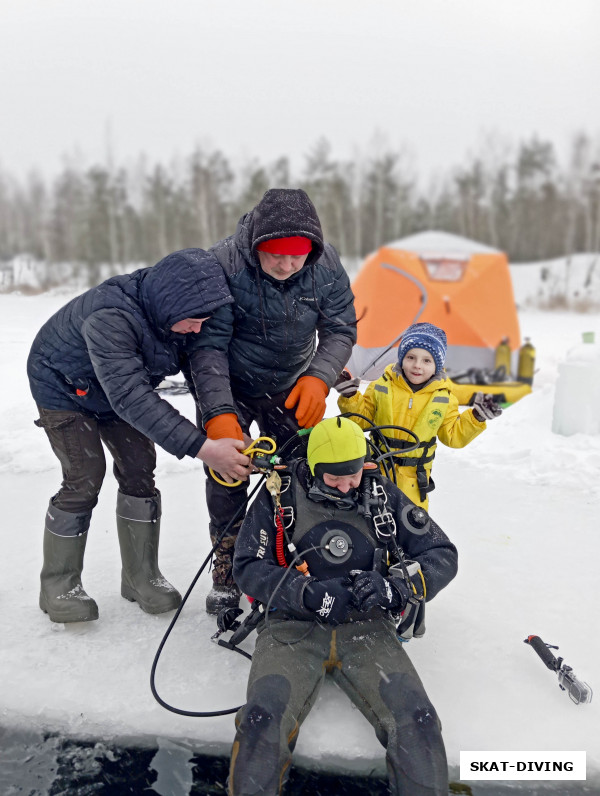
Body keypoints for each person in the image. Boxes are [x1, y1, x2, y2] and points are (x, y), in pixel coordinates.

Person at [228, 416, 458, 796]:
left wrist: (394, 589)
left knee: (418, 720)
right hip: (291, 626)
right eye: (334, 477)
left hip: (367, 629)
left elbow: (442, 554)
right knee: (261, 719)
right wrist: (304, 593)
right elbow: (248, 568)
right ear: (314, 467)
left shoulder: (380, 493)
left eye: (352, 474)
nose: (347, 484)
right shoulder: (278, 495)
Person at [27, 249, 251, 624]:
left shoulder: (180, 316)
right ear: (169, 307)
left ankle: (139, 577)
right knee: (85, 477)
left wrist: (221, 420)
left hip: (114, 388)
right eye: (194, 322)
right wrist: (202, 448)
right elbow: (131, 397)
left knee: (139, 468)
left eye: (204, 321)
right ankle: (59, 585)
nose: (198, 329)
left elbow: (203, 369)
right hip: (63, 388)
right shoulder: (111, 317)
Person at [191, 188, 357, 614]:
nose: (286, 265)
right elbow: (207, 348)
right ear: (256, 245)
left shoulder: (326, 265)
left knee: (299, 470)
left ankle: (299, 560)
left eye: (297, 255)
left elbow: (341, 329)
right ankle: (227, 571)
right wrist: (220, 414)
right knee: (228, 477)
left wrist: (319, 378)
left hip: (292, 384)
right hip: (230, 385)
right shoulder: (222, 265)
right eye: (276, 254)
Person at [336, 321, 502, 509]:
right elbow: (361, 421)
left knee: (412, 526)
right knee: (373, 520)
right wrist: (350, 396)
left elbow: (453, 436)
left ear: (437, 365)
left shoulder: (444, 398)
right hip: (378, 473)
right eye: (411, 357)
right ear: (401, 358)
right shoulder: (382, 386)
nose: (417, 365)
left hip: (415, 481)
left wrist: (476, 417)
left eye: (426, 360)